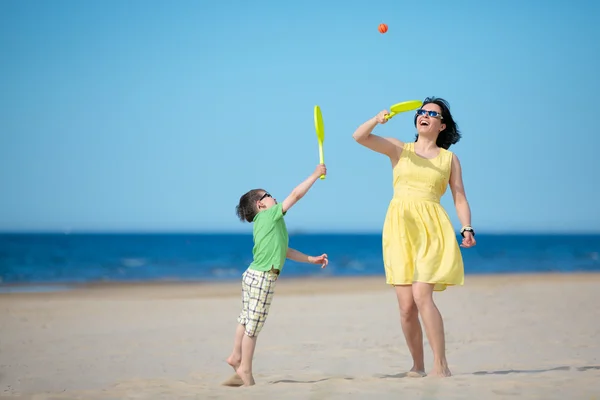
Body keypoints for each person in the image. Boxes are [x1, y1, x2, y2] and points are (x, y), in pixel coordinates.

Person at [352, 97, 476, 378]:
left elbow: (459, 197)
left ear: (442, 125)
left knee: (422, 295)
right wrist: (376, 119)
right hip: (399, 229)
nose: (425, 115)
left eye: (433, 114)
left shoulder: (449, 159)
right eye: (422, 112)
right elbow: (359, 136)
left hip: (433, 229)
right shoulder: (399, 149)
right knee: (406, 307)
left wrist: (466, 227)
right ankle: (418, 365)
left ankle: (440, 365)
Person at [224, 164, 329, 387]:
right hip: (263, 278)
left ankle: (235, 355)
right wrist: (314, 175)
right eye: (269, 195)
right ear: (260, 204)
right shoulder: (270, 216)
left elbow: (285, 251)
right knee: (253, 327)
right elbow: (295, 195)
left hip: (251, 275)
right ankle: (245, 369)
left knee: (245, 318)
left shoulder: (268, 223)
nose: (274, 198)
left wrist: (311, 259)